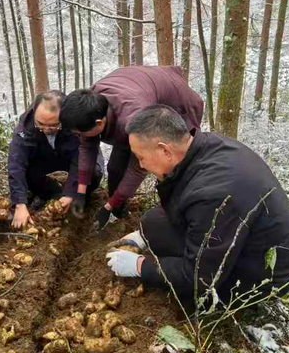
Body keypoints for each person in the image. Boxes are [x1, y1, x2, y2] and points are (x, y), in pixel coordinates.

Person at [105, 105, 289, 313]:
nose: (141, 165)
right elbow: (180, 202)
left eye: (141, 157)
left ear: (165, 150)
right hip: (238, 236)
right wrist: (143, 236)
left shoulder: (214, 194)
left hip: (260, 274)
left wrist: (140, 266)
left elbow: (199, 277)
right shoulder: (205, 146)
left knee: (190, 293)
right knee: (153, 221)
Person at [59, 65, 204, 231]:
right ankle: (118, 207)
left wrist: (108, 207)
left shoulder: (133, 120)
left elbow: (138, 169)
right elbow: (87, 148)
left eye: (80, 132)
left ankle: (175, 215)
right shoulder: (90, 104)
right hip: (138, 91)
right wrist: (80, 193)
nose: (80, 136)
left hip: (178, 104)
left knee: (173, 168)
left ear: (99, 123)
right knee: (115, 168)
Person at [7, 90, 105, 230]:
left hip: (71, 156)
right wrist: (19, 204)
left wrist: (71, 193)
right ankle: (49, 192)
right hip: (44, 158)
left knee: (93, 171)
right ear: (34, 113)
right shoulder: (25, 127)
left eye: (54, 125)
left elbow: (81, 159)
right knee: (28, 172)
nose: (47, 129)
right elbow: (16, 165)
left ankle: (81, 197)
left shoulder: (75, 122)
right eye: (40, 124)